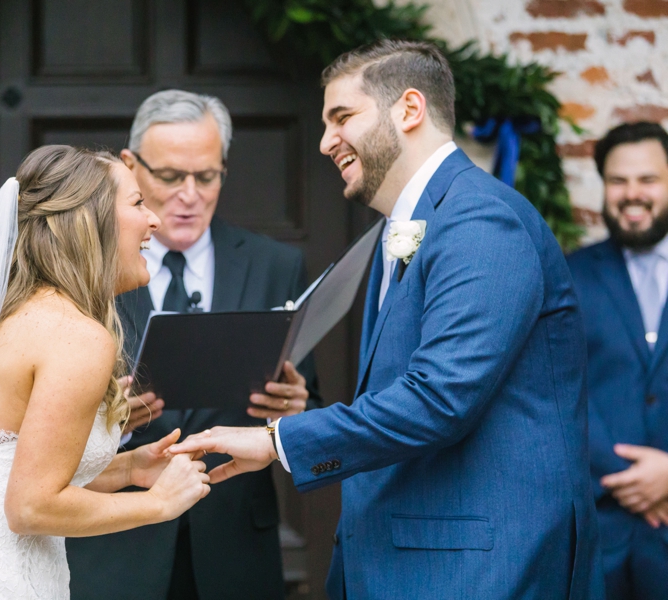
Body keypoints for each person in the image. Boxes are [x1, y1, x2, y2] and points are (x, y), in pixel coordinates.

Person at [171, 40, 604, 599]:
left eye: (342, 117)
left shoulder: (479, 221)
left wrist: (277, 440)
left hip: (477, 569)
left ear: (409, 109)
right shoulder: (404, 228)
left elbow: (440, 399)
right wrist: (307, 410)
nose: (326, 142)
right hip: (405, 562)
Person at [0, 145, 211, 599]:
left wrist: (128, 467)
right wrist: (157, 504)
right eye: (137, 203)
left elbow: (8, 465)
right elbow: (29, 506)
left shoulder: (6, 319)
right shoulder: (79, 337)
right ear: (91, 222)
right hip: (2, 579)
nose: (154, 221)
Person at [65, 90, 319, 600]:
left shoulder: (276, 265)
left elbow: (307, 396)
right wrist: (106, 419)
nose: (190, 195)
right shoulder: (82, 272)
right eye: (169, 177)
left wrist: (296, 409)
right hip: (116, 549)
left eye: (206, 177)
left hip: (235, 551)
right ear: (131, 166)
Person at [566, 122, 668, 600]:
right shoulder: (570, 275)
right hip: (600, 539)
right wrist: (626, 480)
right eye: (618, 180)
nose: (632, 194)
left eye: (648, 179)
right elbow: (559, 389)